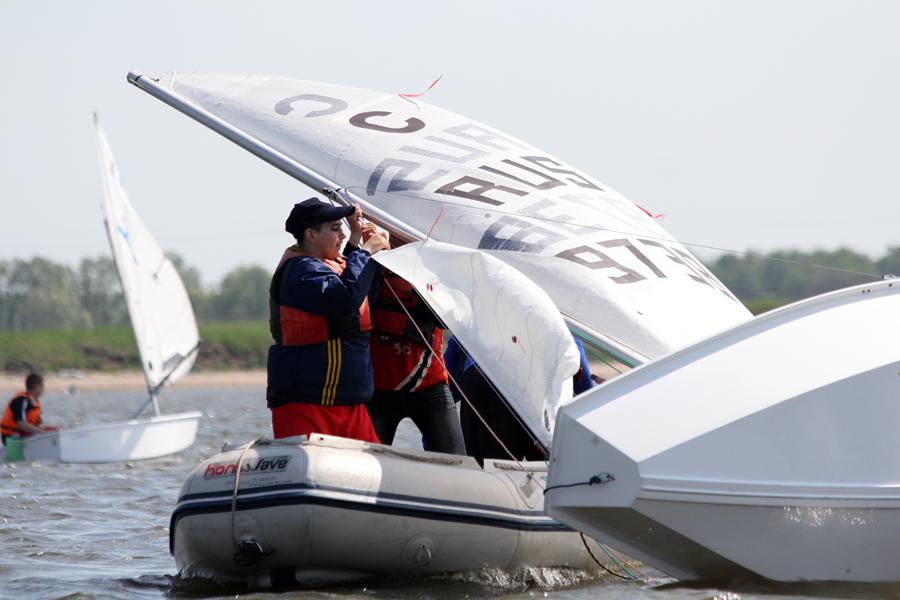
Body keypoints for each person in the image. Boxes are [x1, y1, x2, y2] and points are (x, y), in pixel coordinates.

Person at [266, 198, 389, 442]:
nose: (342, 235)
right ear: (310, 236)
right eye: (335, 229)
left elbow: (357, 286)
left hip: (349, 402)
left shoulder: (330, 264)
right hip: (306, 402)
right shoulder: (300, 270)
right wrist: (365, 252)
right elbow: (343, 297)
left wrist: (357, 238)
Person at [356, 234, 466, 455]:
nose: (398, 239)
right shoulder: (372, 264)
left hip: (428, 387)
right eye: (393, 234)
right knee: (366, 463)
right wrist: (365, 252)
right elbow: (349, 299)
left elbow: (448, 317)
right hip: (379, 390)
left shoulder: (432, 269)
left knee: (457, 461)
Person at [444, 336, 595, 465]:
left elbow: (443, 394)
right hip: (528, 392)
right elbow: (589, 394)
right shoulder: (561, 328)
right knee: (547, 478)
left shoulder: (468, 326)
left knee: (486, 474)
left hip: (482, 378)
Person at [2, 373, 56, 446]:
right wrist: (41, 431)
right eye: (42, 386)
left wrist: (46, 429)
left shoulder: (35, 403)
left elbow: (36, 425)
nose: (44, 389)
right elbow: (21, 424)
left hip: (24, 436)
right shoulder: (21, 400)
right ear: (37, 386)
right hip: (10, 438)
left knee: (50, 432)